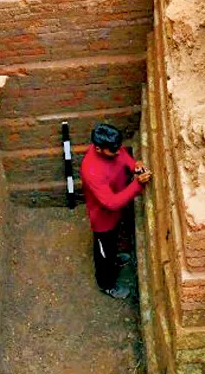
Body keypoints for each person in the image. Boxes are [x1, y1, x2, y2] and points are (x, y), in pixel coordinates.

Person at [79, 123, 151, 299]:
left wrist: (134, 165)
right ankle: (107, 284)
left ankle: (114, 258)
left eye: (119, 147)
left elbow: (122, 156)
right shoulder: (91, 170)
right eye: (113, 150)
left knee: (113, 242)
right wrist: (137, 184)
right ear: (98, 148)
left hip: (117, 210)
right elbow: (110, 203)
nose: (118, 152)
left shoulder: (112, 148)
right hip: (103, 221)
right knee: (104, 251)